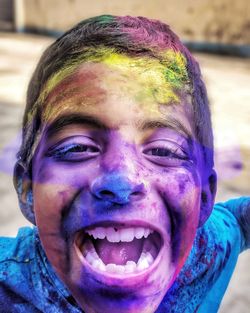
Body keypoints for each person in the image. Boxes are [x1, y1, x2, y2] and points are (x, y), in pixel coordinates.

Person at [0, 15, 249, 313]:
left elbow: (239, 220)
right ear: (28, 190)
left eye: (164, 151)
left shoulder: (213, 247)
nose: (121, 180)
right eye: (77, 147)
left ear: (204, 197)